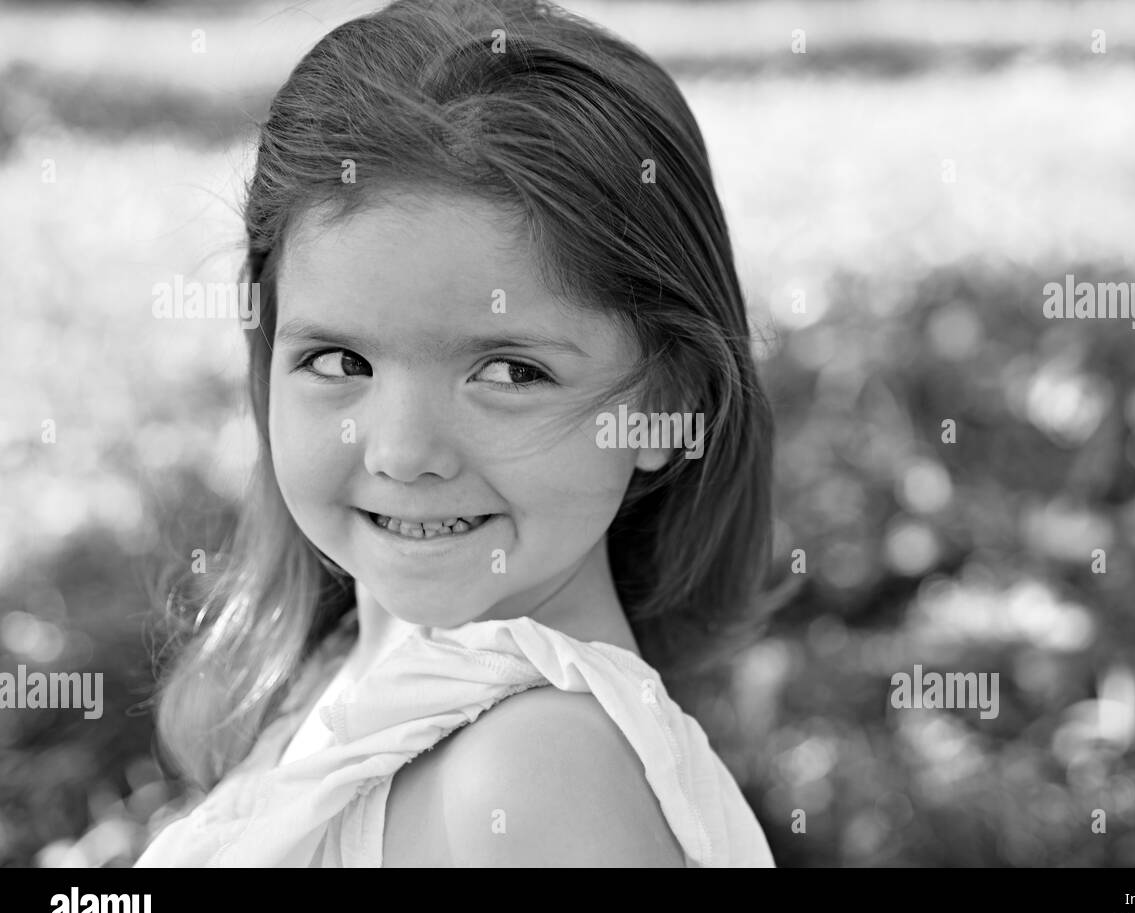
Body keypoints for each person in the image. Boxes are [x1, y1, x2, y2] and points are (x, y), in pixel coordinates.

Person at [136, 0, 781, 867]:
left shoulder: (529, 777)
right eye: (338, 361)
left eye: (510, 373)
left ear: (669, 406)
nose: (403, 452)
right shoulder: (350, 677)